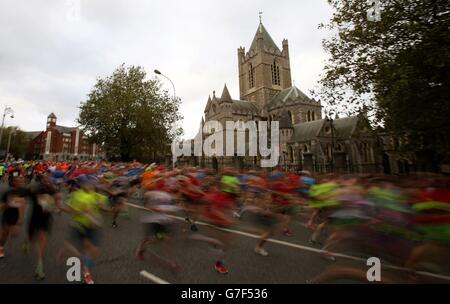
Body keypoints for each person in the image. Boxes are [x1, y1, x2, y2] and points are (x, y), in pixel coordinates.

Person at [27, 172, 63, 280]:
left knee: (43, 240)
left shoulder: (53, 189)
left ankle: (40, 265)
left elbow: (57, 204)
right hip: (34, 218)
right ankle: (27, 242)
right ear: (41, 180)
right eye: (45, 178)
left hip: (45, 219)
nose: (48, 180)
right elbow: (24, 197)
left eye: (49, 178)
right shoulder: (34, 189)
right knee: (32, 238)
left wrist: (58, 207)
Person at [0, 175, 28, 259]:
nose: (21, 183)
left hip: (16, 216)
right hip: (7, 215)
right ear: (13, 183)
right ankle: (0, 248)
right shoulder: (8, 193)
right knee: (5, 234)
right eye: (19, 181)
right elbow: (1, 206)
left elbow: (23, 205)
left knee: (14, 234)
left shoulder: (23, 192)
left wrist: (21, 217)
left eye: (22, 181)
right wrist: (8, 204)